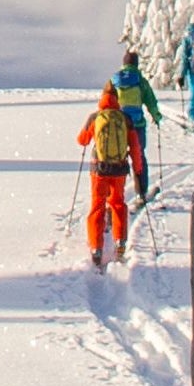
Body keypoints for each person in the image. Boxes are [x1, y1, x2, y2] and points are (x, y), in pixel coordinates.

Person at [77, 81, 145, 267]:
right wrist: (138, 168)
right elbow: (135, 146)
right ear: (117, 99)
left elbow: (82, 140)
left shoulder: (95, 117)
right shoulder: (125, 119)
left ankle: (96, 247)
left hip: (99, 169)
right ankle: (120, 242)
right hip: (119, 169)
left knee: (97, 206)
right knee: (117, 204)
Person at [110, 49, 159, 200]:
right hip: (137, 125)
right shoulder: (140, 80)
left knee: (118, 158)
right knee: (139, 157)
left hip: (119, 127)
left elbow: (107, 102)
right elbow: (150, 101)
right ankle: (141, 192)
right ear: (136, 65)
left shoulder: (115, 80)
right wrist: (156, 116)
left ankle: (115, 194)